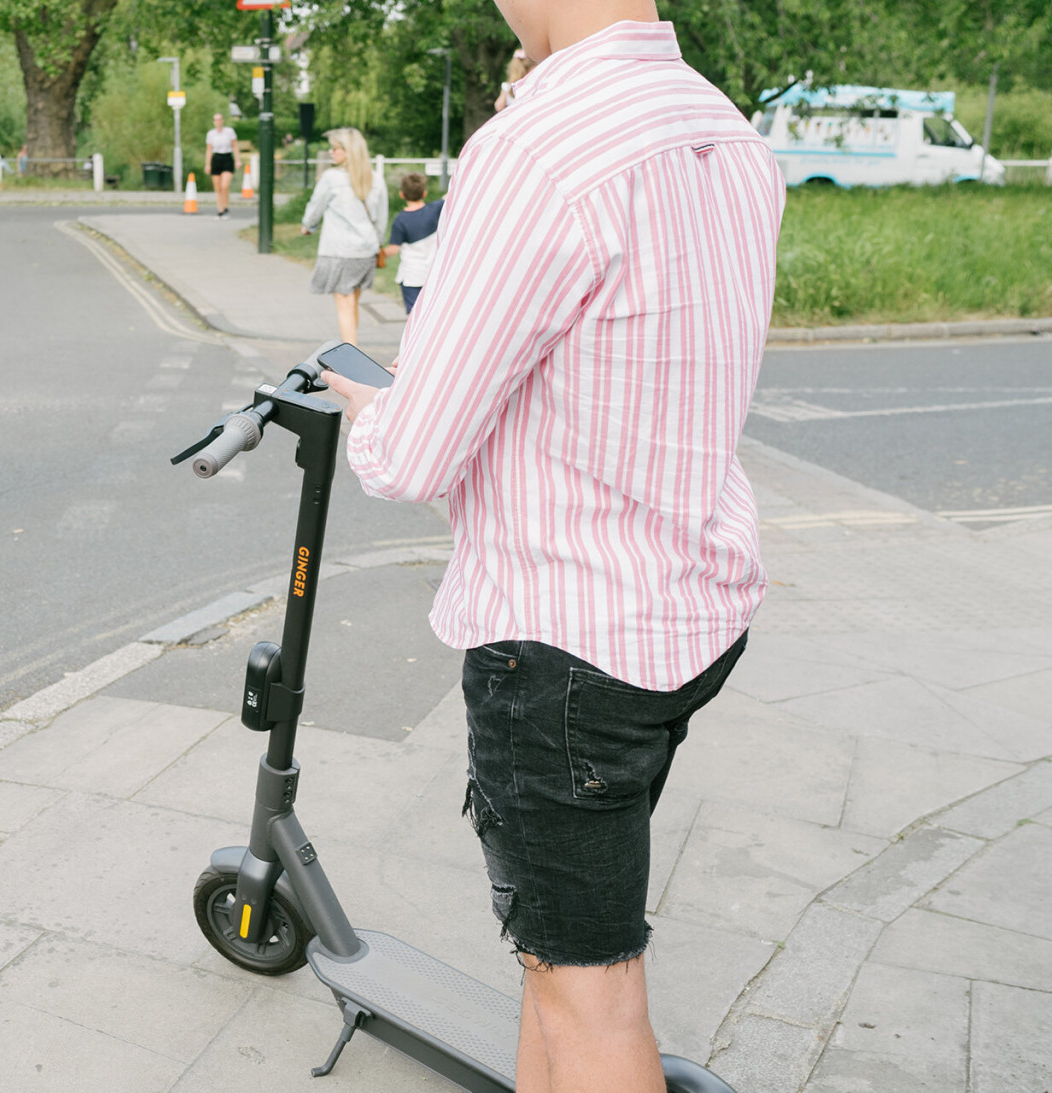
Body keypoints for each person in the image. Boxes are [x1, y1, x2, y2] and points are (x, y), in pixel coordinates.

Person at [324, 2, 785, 1091]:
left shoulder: (536, 149)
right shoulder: (717, 123)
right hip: (685, 605)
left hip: (564, 640)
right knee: (553, 960)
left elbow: (409, 456)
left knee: (591, 995)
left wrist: (361, 405)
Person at [299, 127, 388, 346]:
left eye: (335, 148)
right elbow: (381, 218)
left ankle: (351, 359)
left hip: (340, 251)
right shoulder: (376, 179)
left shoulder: (331, 178)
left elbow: (315, 207)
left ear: (348, 151)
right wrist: (378, 243)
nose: (331, 152)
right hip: (366, 252)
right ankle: (352, 348)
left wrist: (308, 225)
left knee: (344, 306)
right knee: (352, 304)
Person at [383, 173, 443, 313]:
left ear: (402, 195)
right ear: (424, 193)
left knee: (414, 314)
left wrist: (379, 256)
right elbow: (448, 195)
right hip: (432, 274)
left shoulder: (400, 220)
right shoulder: (436, 210)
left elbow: (394, 249)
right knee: (432, 312)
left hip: (411, 276)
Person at [204, 114, 240, 217]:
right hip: (216, 159)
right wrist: (207, 164)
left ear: (222, 121)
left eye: (219, 120)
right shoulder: (211, 134)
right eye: (216, 120)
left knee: (225, 186)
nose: (218, 122)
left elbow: (235, 146)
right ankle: (220, 209)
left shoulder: (229, 132)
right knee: (218, 187)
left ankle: (225, 206)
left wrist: (238, 160)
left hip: (227, 158)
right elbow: (209, 150)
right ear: (213, 121)